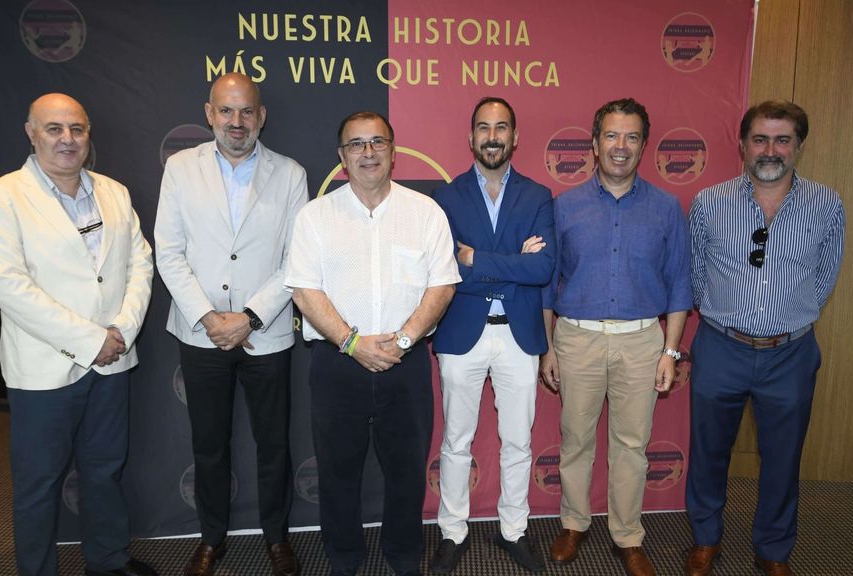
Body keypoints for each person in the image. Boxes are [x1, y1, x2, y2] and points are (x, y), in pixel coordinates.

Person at [0, 93, 155, 576]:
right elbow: (10, 287)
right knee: (38, 484)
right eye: (54, 129)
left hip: (113, 360)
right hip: (43, 371)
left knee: (104, 472)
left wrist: (122, 330)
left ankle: (109, 562)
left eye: (76, 129)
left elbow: (141, 262)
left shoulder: (114, 192)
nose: (67, 140)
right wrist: (90, 339)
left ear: (88, 133)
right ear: (31, 133)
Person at [285, 111, 459, 576]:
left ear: (393, 150)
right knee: (338, 475)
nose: (368, 152)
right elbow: (304, 290)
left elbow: (441, 286)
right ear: (342, 157)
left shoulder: (426, 213)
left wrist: (402, 340)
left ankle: (404, 559)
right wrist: (352, 343)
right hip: (337, 363)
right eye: (356, 144)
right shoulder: (315, 217)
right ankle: (343, 560)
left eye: (377, 142)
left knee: (406, 474)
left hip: (407, 365)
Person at [155, 72, 307, 576]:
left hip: (266, 331)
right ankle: (212, 539)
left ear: (261, 117)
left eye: (246, 112)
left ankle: (277, 539)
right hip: (200, 333)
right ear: (209, 113)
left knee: (275, 446)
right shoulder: (179, 168)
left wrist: (249, 317)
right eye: (226, 111)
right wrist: (207, 317)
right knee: (209, 444)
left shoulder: (290, 174)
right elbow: (170, 254)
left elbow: (296, 260)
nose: (236, 122)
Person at [685, 100, 844, 576]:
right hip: (720, 347)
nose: (770, 150)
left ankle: (773, 549)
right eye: (760, 139)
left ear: (799, 145)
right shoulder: (709, 202)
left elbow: (824, 278)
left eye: (782, 139)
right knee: (708, 452)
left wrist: (785, 319)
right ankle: (706, 538)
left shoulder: (827, 204)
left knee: (783, 457)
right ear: (742, 144)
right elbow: (695, 276)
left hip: (790, 352)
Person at [540, 98, 692, 576]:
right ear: (594, 142)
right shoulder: (564, 206)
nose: (620, 146)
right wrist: (548, 347)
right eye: (611, 135)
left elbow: (680, 284)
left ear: (644, 146)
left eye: (630, 137)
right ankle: (574, 523)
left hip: (642, 340)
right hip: (577, 338)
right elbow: (548, 283)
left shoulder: (667, 209)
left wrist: (670, 350)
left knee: (632, 444)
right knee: (576, 439)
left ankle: (627, 535)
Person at [429, 97, 555, 573]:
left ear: (515, 137)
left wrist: (477, 259)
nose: (493, 136)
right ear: (471, 138)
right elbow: (444, 269)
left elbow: (542, 268)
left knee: (518, 441)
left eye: (502, 127)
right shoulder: (445, 197)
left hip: (519, 336)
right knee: (456, 440)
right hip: (462, 333)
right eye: (484, 127)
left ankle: (514, 530)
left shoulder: (538, 196)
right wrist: (514, 264)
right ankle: (452, 531)